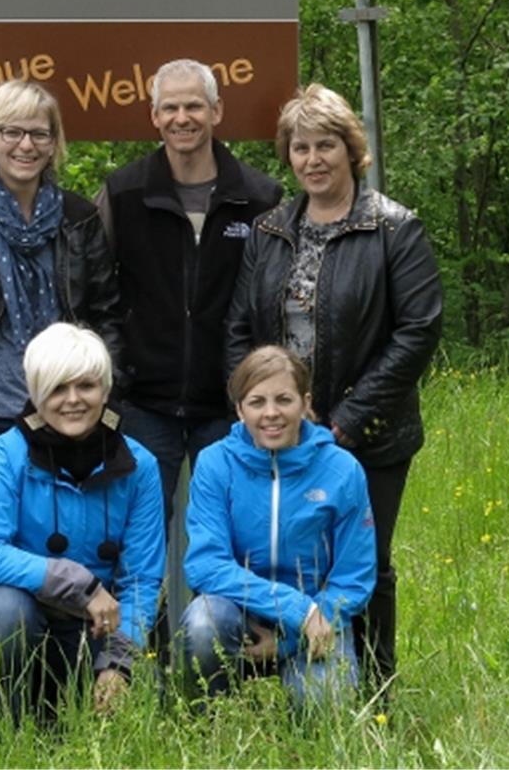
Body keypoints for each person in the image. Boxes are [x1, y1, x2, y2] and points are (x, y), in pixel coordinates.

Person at [225, 83, 443, 692]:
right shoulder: (269, 231)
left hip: (368, 435)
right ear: (288, 156)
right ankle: (283, 678)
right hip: (277, 431)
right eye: (300, 147)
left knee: (364, 567)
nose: (313, 159)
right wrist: (254, 411)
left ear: (352, 150)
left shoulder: (394, 228)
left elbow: (419, 331)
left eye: (326, 145)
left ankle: (374, 689)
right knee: (277, 562)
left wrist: (343, 421)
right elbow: (241, 327)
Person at [0, 79, 122, 554]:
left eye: (39, 133)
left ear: (55, 144)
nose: (25, 145)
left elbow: (106, 313)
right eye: (10, 132)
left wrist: (106, 397)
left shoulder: (79, 218)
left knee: (70, 555)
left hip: (69, 416)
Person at [0, 323, 164, 723]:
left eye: (86, 386)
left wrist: (118, 663)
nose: (73, 400)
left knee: (144, 693)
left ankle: (65, 706)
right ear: (36, 393)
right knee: (11, 607)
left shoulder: (141, 466)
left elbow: (141, 580)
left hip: (92, 626)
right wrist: (81, 583)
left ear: (106, 390)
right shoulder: (5, 453)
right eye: (58, 388)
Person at [96, 58, 282, 522]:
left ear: (217, 111)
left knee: (232, 534)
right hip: (143, 402)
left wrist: (257, 385)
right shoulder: (122, 193)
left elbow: (274, 303)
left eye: (194, 106)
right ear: (154, 116)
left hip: (231, 403)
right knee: (134, 537)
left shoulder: (262, 199)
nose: (183, 118)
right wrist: (115, 377)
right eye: (171, 107)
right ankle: (143, 600)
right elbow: (97, 295)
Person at [181, 346, 376, 707]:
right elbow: (205, 565)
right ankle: (211, 722)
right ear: (239, 410)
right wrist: (295, 609)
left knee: (323, 706)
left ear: (305, 402)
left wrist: (298, 633)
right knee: (203, 622)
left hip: (321, 615)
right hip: (240, 611)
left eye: (283, 400)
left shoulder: (343, 470)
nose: (271, 414)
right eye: (256, 402)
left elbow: (355, 574)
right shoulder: (213, 464)